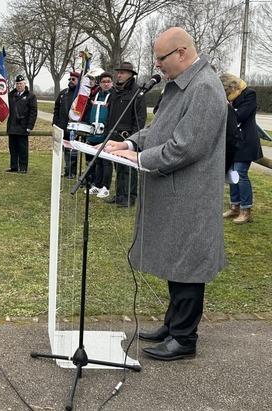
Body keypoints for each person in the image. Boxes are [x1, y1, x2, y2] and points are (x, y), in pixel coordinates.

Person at [105, 27, 227, 361]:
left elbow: (186, 147)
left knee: (188, 266)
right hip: (176, 193)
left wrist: (140, 158)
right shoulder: (179, 87)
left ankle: (185, 338)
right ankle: (173, 325)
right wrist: (129, 143)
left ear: (182, 53)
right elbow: (159, 130)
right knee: (177, 261)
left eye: (161, 58)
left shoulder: (204, 88)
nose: (157, 65)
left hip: (192, 196)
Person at [219, 73, 263, 224]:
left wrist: (226, 107)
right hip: (233, 142)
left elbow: (241, 115)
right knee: (232, 174)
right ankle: (235, 207)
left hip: (246, 142)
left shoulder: (249, 94)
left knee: (241, 173)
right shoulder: (229, 100)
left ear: (231, 86)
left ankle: (246, 210)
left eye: (225, 91)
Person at [105, 61, 147, 207]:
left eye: (122, 72)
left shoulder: (138, 92)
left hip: (128, 136)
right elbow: (111, 114)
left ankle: (130, 196)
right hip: (114, 135)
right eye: (118, 72)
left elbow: (140, 119)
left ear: (130, 75)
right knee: (118, 167)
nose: (119, 75)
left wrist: (134, 140)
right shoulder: (115, 92)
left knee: (129, 168)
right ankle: (119, 194)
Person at [84, 71, 114, 198]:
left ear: (112, 83)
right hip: (94, 133)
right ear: (100, 83)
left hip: (106, 134)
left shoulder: (113, 97)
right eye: (103, 82)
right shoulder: (95, 95)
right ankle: (96, 184)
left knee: (106, 162)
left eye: (108, 82)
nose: (106, 84)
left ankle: (105, 187)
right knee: (96, 161)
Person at [6, 75, 38, 174]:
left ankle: (23, 168)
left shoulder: (30, 96)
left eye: (21, 83)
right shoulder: (11, 95)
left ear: (25, 84)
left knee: (22, 148)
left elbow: (33, 112)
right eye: (17, 84)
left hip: (23, 126)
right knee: (13, 148)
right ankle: (14, 167)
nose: (19, 85)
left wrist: (30, 126)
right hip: (12, 125)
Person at [53, 71, 80, 178]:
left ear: (78, 81)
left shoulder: (80, 95)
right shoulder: (63, 93)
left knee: (72, 150)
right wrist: (55, 123)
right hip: (62, 126)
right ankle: (67, 170)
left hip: (74, 127)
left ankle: (72, 172)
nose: (71, 81)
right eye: (70, 79)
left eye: (73, 79)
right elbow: (56, 109)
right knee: (65, 150)